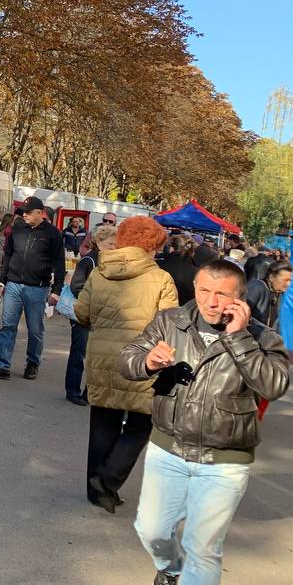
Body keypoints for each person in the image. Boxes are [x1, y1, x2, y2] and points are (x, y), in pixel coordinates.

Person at [120, 260, 289, 585]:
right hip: (168, 447)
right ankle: (169, 567)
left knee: (204, 548)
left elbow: (274, 385)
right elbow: (127, 357)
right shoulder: (171, 321)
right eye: (204, 291)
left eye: (222, 294)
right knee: (151, 530)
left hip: (225, 460)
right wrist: (147, 361)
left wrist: (239, 338)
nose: (211, 301)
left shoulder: (262, 337)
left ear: (240, 298)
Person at [74, 216, 179, 513]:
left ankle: (96, 491)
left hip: (102, 358)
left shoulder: (100, 272)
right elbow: (169, 325)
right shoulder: (161, 279)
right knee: (141, 424)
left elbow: (82, 313)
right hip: (141, 360)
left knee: (103, 423)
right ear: (151, 245)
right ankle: (107, 480)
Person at [0, 195, 65, 381]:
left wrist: (56, 290)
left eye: (29, 213)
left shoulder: (53, 234)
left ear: (41, 213)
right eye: (23, 213)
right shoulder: (18, 228)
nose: (25, 216)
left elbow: (59, 264)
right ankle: (2, 365)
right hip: (13, 284)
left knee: (35, 329)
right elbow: (8, 255)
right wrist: (2, 281)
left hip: (37, 287)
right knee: (8, 326)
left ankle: (32, 363)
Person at [64, 223, 118, 406]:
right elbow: (76, 286)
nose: (114, 248)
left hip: (104, 318)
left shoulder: (113, 264)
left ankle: (90, 392)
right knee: (79, 354)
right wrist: (95, 302)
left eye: (115, 244)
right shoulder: (89, 261)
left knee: (97, 357)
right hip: (85, 316)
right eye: (111, 244)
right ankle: (72, 391)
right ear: (99, 243)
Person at [246, 258, 293, 328]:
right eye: (285, 280)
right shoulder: (257, 286)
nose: (289, 284)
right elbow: (240, 315)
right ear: (271, 277)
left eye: (290, 280)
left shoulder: (278, 293)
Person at [157, 234, 199, 306]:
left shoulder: (158, 265)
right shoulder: (196, 272)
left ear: (171, 248)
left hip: (158, 310)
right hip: (183, 312)